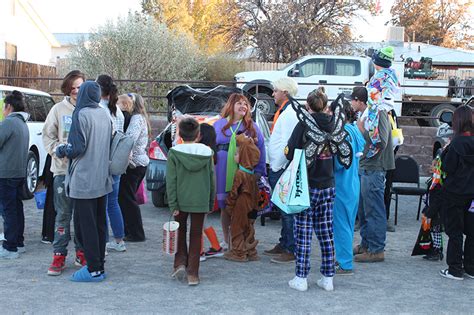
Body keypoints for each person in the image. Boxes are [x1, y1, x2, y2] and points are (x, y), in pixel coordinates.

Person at [56, 81, 113, 282]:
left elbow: (77, 148)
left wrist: (61, 149)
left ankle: (93, 269)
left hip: (84, 180)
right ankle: (100, 266)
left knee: (84, 225)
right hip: (101, 177)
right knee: (99, 224)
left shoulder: (80, 114)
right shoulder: (104, 113)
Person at [286, 87, 336, 292]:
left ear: (308, 106)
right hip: (328, 184)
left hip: (305, 185)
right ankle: (328, 277)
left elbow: (290, 152)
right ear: (326, 105)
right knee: (326, 232)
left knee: (303, 231)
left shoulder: (304, 124)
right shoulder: (334, 124)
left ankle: (301, 277)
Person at [353, 47, 397, 263]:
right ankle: (367, 243)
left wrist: (367, 152)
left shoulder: (379, 110)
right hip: (368, 163)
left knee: (374, 208)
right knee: (365, 208)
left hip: (373, 165)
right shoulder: (374, 110)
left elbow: (381, 140)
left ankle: (376, 248)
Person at [43, 70, 86, 275]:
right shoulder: (58, 109)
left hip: (85, 172)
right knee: (63, 215)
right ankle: (59, 255)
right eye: (73, 87)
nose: (76, 91)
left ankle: (82, 253)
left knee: (82, 216)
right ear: (68, 88)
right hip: (62, 171)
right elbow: (48, 135)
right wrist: (57, 150)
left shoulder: (92, 109)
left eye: (80, 86)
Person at [213, 93, 266, 249]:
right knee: (224, 206)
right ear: (231, 106)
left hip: (244, 171)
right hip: (222, 169)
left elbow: (261, 149)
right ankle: (227, 239)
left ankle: (241, 240)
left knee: (241, 206)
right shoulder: (218, 124)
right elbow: (210, 146)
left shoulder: (252, 126)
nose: (243, 106)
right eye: (239, 103)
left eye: (245, 104)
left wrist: (259, 172)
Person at [167, 117, 215, 286]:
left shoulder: (174, 153)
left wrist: (172, 203)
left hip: (180, 200)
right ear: (198, 134)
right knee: (196, 235)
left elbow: (171, 180)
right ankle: (193, 273)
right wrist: (210, 201)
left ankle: (179, 263)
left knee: (179, 232)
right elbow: (211, 179)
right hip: (200, 199)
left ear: (179, 133)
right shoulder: (207, 153)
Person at [264, 77, 300, 264]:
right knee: (283, 207)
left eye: (276, 90)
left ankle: (291, 247)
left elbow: (288, 144)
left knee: (287, 210)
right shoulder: (287, 110)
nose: (273, 94)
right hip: (279, 165)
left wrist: (278, 165)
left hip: (282, 167)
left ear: (285, 92)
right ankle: (284, 242)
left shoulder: (290, 113)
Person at [438, 105, 474, 280]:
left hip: (454, 193)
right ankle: (470, 267)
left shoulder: (456, 143)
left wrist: (446, 150)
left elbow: (447, 167)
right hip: (472, 194)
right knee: (472, 232)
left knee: (455, 232)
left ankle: (454, 269)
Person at [331, 97, 365, 275]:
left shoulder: (340, 133)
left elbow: (337, 163)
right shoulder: (353, 130)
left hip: (341, 184)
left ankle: (344, 263)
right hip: (353, 183)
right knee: (348, 223)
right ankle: (344, 260)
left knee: (341, 224)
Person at [96, 75, 126, 252]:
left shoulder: (99, 109)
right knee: (113, 202)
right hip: (116, 160)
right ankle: (119, 240)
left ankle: (103, 241)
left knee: (101, 203)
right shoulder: (118, 111)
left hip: (101, 160)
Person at [0, 91, 29, 260]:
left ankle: (10, 247)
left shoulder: (9, 123)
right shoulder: (22, 123)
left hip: (5, 173)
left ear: (9, 106)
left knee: (8, 210)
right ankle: (18, 242)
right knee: (16, 209)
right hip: (18, 172)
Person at [117, 93, 150, 242]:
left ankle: (136, 233)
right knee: (127, 198)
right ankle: (131, 230)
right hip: (139, 163)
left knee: (127, 199)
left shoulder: (136, 119)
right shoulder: (142, 118)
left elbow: (130, 138)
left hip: (134, 164)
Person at [224, 133, 260, 262]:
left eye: (236, 153)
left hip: (241, 203)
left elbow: (234, 191)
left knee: (237, 226)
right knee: (249, 226)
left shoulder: (240, 173)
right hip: (252, 203)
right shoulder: (252, 174)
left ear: (243, 156)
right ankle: (251, 250)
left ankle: (238, 252)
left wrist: (229, 204)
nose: (234, 156)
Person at [198, 123, 224, 261]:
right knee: (203, 222)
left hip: (204, 193)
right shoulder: (211, 152)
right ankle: (215, 247)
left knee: (199, 224)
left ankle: (200, 251)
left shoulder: (203, 152)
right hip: (208, 192)